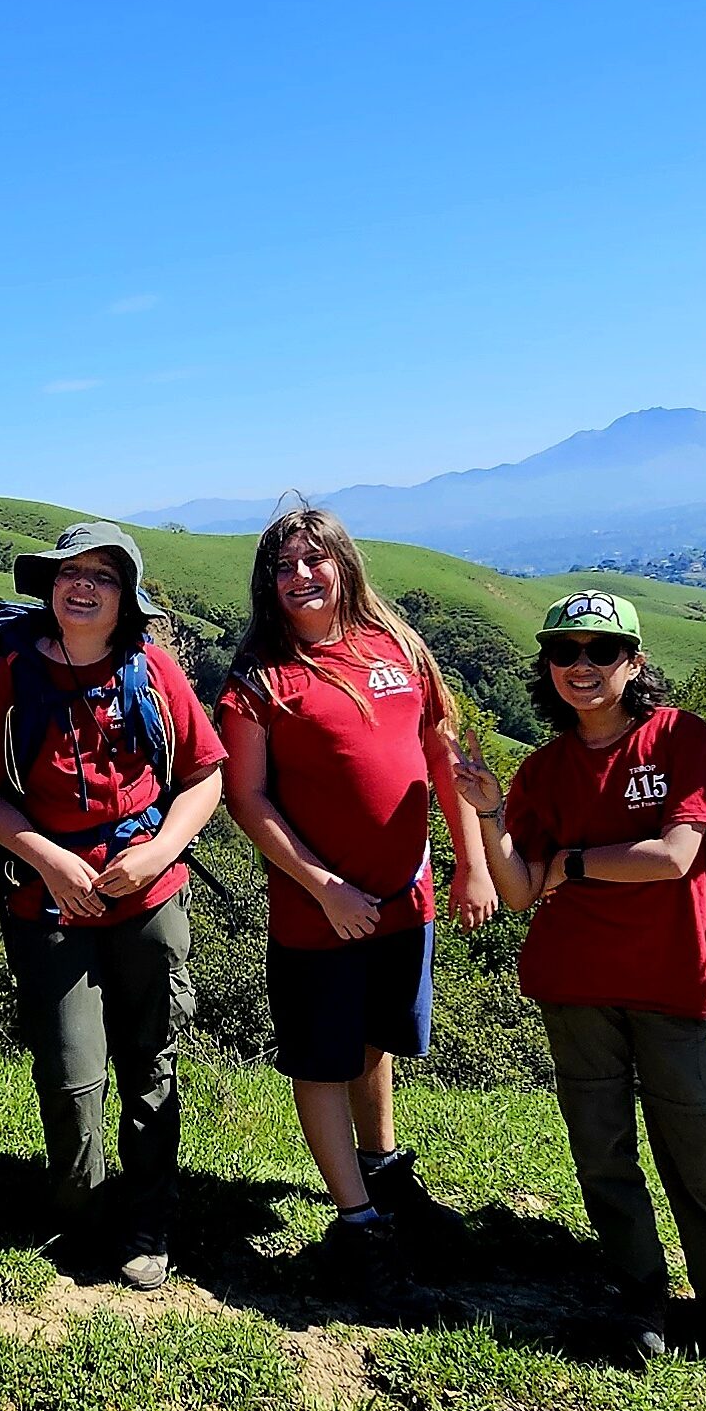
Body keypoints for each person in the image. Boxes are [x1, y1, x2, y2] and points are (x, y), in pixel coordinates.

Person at [454, 592, 706, 1391]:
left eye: (602, 650)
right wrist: (492, 817)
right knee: (603, 1152)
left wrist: (576, 862)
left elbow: (673, 857)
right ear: (548, 668)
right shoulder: (542, 770)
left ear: (635, 663)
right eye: (566, 652)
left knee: (696, 1150)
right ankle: (642, 1299)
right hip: (574, 983)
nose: (583, 665)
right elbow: (521, 892)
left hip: (667, 981)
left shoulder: (679, 738)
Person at [218, 506, 498, 1296]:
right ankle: (357, 1223)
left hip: (408, 901)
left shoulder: (402, 648)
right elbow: (248, 799)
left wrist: (470, 863)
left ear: (344, 564)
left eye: (315, 560)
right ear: (266, 585)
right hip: (318, 912)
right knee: (320, 1057)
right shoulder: (258, 679)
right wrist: (324, 886)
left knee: (375, 1042)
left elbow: (444, 763)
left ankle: (383, 1171)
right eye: (284, 566)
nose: (301, 576)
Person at [0, 523, 227, 1291]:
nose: (83, 586)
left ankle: (149, 1219)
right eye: (69, 572)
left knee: (151, 1059)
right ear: (48, 587)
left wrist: (159, 852)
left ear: (127, 597)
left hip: (148, 895)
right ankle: (80, 1208)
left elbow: (205, 773)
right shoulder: (12, 676)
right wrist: (48, 861)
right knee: (70, 1067)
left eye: (103, 577)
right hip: (46, 897)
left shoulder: (150, 668)